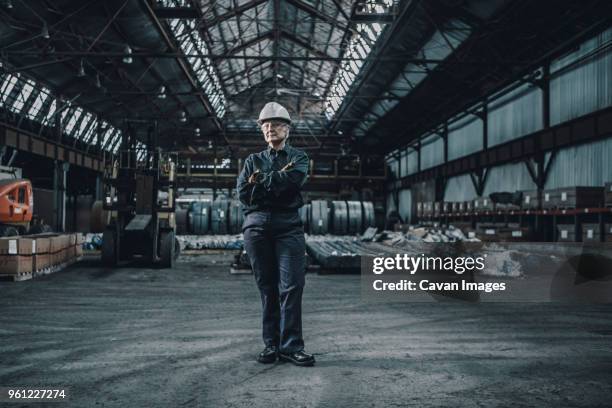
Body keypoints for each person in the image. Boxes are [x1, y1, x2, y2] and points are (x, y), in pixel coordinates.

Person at [236, 102, 315, 367]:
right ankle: (271, 345)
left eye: (276, 124)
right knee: (267, 288)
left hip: (288, 226)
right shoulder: (252, 161)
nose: (270, 129)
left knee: (292, 286)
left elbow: (293, 183)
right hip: (256, 227)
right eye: (266, 126)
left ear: (288, 129)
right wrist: (276, 180)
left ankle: (292, 347)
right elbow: (244, 195)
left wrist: (261, 182)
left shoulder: (300, 158)